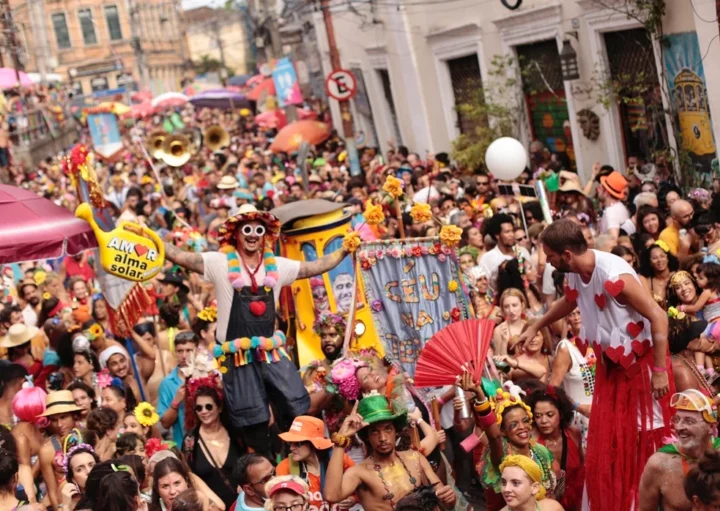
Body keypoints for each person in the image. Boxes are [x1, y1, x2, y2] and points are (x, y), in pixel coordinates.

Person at [163, 204, 348, 456]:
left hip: (269, 353)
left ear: (265, 235)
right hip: (236, 356)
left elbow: (314, 267)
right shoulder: (220, 262)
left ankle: (305, 459)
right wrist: (150, 239)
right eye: (246, 229)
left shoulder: (278, 266)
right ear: (236, 234)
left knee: (297, 402)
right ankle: (265, 468)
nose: (252, 234)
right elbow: (182, 257)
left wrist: (345, 250)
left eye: (258, 229)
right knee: (251, 420)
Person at [519, 219, 671, 511]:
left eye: (550, 256)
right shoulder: (576, 272)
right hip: (611, 369)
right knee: (615, 443)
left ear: (566, 255)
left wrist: (661, 371)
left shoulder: (614, 276)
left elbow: (659, 317)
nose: (547, 262)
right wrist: (536, 325)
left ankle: (652, 497)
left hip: (641, 368)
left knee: (646, 435)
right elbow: (568, 302)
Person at [324, 394, 456, 510]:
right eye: (374, 431)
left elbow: (446, 503)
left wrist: (449, 498)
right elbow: (331, 495)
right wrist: (340, 441)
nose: (382, 438)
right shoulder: (360, 473)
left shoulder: (415, 458)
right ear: (366, 437)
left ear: (396, 431)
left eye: (388, 429)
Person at [457, 371, 556, 511]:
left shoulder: (541, 451)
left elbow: (553, 490)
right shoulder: (503, 456)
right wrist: (480, 395)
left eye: (525, 421)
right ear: (503, 431)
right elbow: (494, 437)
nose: (522, 428)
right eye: (513, 425)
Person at [638, 390, 720, 511]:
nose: (679, 427)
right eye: (676, 419)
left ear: (711, 426)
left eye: (689, 421)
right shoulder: (659, 464)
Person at [182, 376, 242, 508]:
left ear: (219, 408)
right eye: (199, 408)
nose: (204, 412)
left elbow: (248, 462)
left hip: (242, 505)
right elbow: (189, 476)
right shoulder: (190, 440)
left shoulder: (235, 433)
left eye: (208, 407)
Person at [276, 415, 355, 510]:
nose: (291, 448)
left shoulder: (338, 460)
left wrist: (353, 499)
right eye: (290, 443)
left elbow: (361, 486)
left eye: (298, 443)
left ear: (313, 443)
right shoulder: (285, 468)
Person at [527, 385, 584, 511]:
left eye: (550, 414)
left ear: (561, 413)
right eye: (538, 416)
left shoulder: (574, 434)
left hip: (576, 504)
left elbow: (582, 468)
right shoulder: (531, 442)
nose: (543, 420)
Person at [37, 390, 84, 510]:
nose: (59, 424)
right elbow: (52, 490)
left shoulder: (88, 436)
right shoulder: (47, 450)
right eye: (53, 420)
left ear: (74, 415)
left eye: (63, 417)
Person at [158, 330, 197, 446]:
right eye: (180, 351)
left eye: (189, 350)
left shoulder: (206, 375)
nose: (184, 356)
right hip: (184, 446)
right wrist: (176, 402)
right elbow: (165, 423)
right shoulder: (167, 383)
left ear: (197, 351)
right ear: (175, 352)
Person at [479, 214, 531, 293]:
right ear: (497, 235)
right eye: (507, 232)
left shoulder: (522, 251)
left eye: (512, 231)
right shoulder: (487, 259)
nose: (512, 235)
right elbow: (486, 287)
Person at [498, 455, 564, 511]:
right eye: (504, 483)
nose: (506, 489)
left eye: (515, 483)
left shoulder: (552, 508)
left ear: (535, 488)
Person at [639, 241, 678, 309]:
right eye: (655, 258)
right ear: (650, 263)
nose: (659, 260)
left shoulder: (678, 276)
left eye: (662, 256)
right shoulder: (647, 283)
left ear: (667, 258)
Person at [62, 444, 100, 511]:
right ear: (73, 479)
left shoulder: (113, 492)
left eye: (91, 465)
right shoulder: (72, 505)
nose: (88, 471)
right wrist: (65, 506)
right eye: (80, 469)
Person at [493, 289, 528, 356]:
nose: (511, 310)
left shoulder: (529, 326)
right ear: (503, 309)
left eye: (514, 305)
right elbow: (498, 360)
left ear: (522, 305)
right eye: (506, 307)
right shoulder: (499, 330)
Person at [597, 171, 629, 239]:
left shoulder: (612, 212)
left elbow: (613, 239)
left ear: (607, 193)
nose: (598, 189)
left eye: (601, 187)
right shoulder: (619, 206)